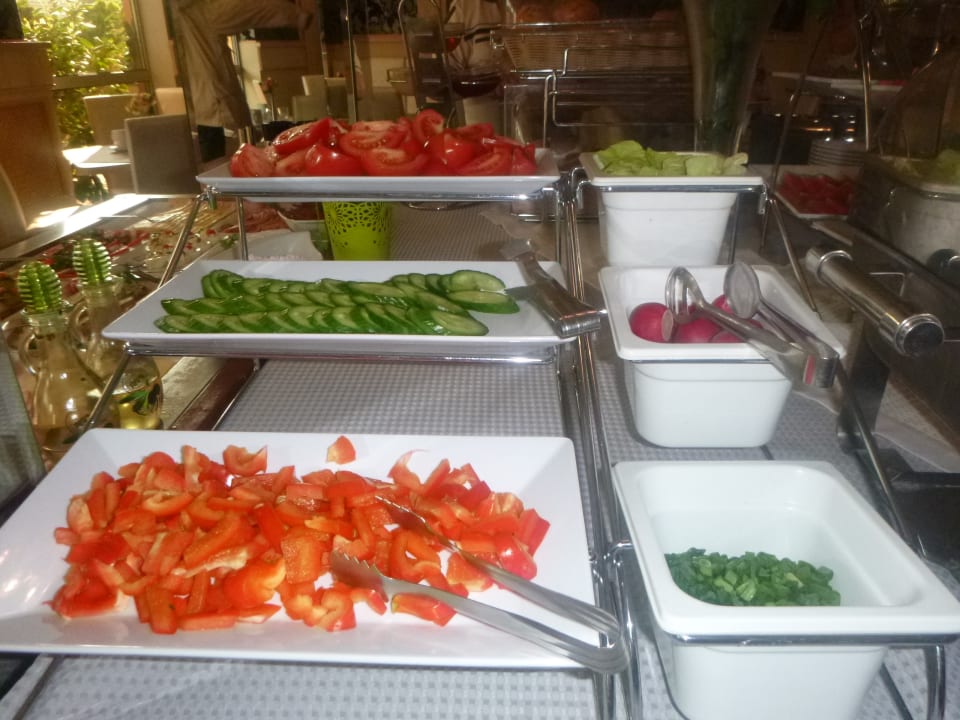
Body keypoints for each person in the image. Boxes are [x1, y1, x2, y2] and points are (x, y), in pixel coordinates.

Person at [170, 0, 313, 161]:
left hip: (197, 119)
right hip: (219, 115)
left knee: (217, 171)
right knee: (237, 168)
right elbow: (253, 8)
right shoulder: (200, 12)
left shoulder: (175, 16)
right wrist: (298, 15)